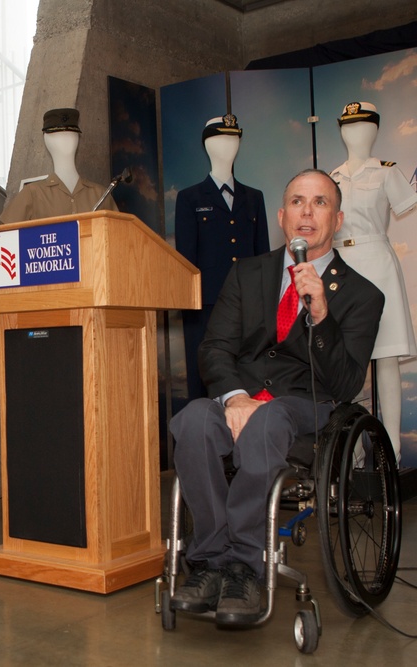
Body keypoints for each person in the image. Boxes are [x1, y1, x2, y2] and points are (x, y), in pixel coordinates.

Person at [168, 169, 384, 625]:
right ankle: (209, 561)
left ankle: (247, 565)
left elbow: (346, 384)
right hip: (243, 397)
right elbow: (216, 348)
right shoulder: (247, 274)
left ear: (338, 218)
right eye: (298, 202)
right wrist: (235, 397)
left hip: (307, 407)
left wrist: (321, 316)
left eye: (320, 203)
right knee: (192, 420)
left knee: (270, 421)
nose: (307, 212)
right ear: (282, 217)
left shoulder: (364, 295)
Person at [330, 101, 417, 464]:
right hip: (340, 267)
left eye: (361, 126)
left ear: (375, 129)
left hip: (377, 264)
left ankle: (390, 454)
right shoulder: (330, 178)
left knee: (385, 359)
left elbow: (402, 206)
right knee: (340, 358)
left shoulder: (386, 171)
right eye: (347, 126)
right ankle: (348, 457)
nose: (354, 133)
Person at [175, 115, 270, 399]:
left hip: (247, 304)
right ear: (207, 145)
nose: (229, 145)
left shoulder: (254, 197)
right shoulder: (190, 198)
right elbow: (186, 260)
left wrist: (262, 301)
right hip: (204, 304)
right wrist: (191, 303)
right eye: (221, 139)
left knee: (248, 374)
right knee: (203, 374)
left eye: (234, 138)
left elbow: (262, 254)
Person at [0, 108, 118, 224]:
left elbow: (120, 234)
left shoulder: (101, 195)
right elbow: (5, 238)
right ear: (47, 140)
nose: (66, 141)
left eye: (71, 135)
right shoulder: (32, 194)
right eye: (57, 136)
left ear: (78, 138)